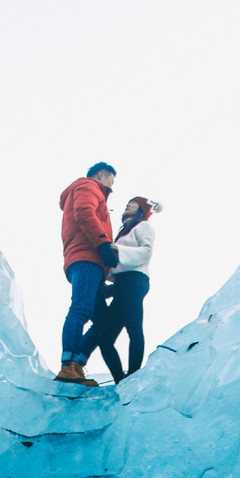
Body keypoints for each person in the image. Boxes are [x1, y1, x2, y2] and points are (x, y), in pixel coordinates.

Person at [54, 162, 118, 385]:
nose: (112, 185)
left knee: (103, 321)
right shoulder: (87, 186)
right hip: (86, 257)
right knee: (81, 308)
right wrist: (103, 246)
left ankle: (76, 364)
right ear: (102, 174)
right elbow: (84, 213)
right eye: (112, 179)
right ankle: (68, 365)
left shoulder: (88, 190)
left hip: (89, 261)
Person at [85, 196, 160, 382]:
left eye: (133, 203)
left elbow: (146, 251)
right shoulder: (124, 232)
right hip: (121, 284)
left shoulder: (144, 226)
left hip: (135, 280)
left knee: (133, 327)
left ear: (142, 209)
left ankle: (133, 375)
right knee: (105, 338)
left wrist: (117, 250)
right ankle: (121, 380)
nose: (128, 204)